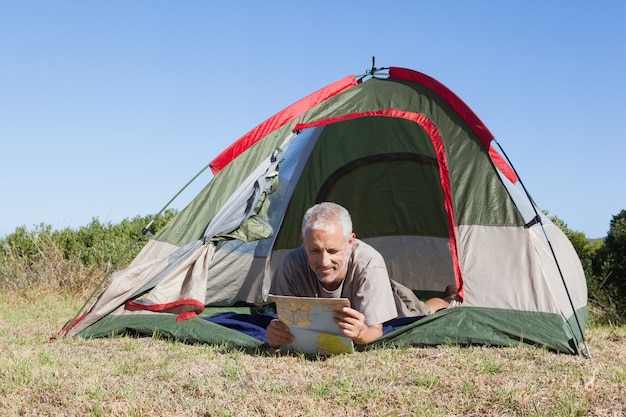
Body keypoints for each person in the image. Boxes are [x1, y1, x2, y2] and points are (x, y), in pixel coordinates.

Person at [266, 202, 455, 348]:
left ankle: (449, 297)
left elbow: (374, 331)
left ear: (350, 242)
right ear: (303, 242)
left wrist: (361, 334)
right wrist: (276, 335)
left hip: (396, 305)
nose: (324, 262)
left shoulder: (369, 263)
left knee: (424, 311)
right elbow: (284, 324)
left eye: (333, 251)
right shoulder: (290, 265)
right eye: (314, 251)